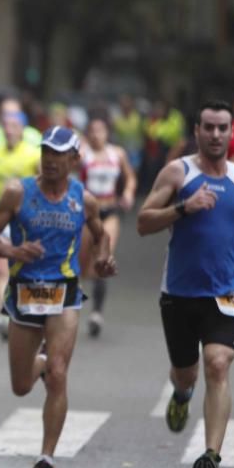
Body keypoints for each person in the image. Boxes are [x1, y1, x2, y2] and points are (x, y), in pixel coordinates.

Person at [0, 126, 117, 468]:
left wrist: (103, 261)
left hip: (65, 293)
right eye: (46, 152)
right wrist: (13, 251)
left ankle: (45, 462)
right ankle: (36, 365)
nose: (51, 160)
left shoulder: (84, 200)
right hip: (25, 293)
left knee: (59, 373)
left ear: (74, 159)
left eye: (59, 154)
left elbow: (101, 236)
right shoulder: (17, 192)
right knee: (21, 387)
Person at [137, 100, 234, 468]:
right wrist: (184, 207)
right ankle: (181, 394)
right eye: (209, 127)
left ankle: (210, 457)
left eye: (222, 128)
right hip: (179, 294)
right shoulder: (179, 172)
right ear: (196, 130)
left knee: (217, 364)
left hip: (227, 294)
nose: (216, 135)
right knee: (187, 372)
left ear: (231, 133)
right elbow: (144, 222)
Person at [0, 112, 41, 339]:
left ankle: (28, 309)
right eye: (5, 126)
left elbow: (42, 182)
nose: (9, 130)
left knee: (25, 266)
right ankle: (5, 316)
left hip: (25, 219)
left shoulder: (33, 155)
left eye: (14, 126)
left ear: (23, 130)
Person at [78, 117, 136, 337]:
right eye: (92, 131)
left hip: (110, 211)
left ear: (107, 132)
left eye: (100, 130)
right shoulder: (83, 153)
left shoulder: (117, 153)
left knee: (103, 258)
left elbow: (130, 177)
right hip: (86, 213)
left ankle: (97, 314)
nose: (96, 135)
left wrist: (128, 193)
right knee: (83, 265)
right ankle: (71, 304)